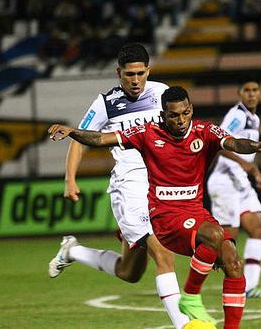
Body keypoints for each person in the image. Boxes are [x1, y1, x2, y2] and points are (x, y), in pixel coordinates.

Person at [48, 86, 261, 329]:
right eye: (174, 115)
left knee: (231, 261)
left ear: (191, 110)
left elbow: (232, 142)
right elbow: (101, 139)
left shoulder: (204, 130)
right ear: (162, 115)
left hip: (195, 212)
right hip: (163, 215)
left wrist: (252, 146)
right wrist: (73, 132)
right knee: (208, 238)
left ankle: (73, 251)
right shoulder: (146, 132)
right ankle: (189, 301)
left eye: (185, 113)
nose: (181, 120)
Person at [47, 43, 189, 329]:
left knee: (130, 272)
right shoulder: (106, 103)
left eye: (140, 73)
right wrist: (70, 179)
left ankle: (72, 251)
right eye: (128, 75)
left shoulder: (163, 94)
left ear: (148, 71)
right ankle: (183, 325)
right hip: (129, 186)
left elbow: (180, 131)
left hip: (160, 185)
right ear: (118, 73)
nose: (135, 81)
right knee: (164, 253)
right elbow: (80, 137)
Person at [207, 78, 261, 299]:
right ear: (239, 93)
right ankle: (199, 274)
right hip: (225, 182)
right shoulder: (237, 115)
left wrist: (255, 172)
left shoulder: (253, 118)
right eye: (247, 90)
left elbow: (247, 154)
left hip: (240, 182)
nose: (252, 94)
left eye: (255, 90)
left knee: (257, 229)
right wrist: (245, 164)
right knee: (227, 240)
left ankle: (249, 287)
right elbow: (219, 141)